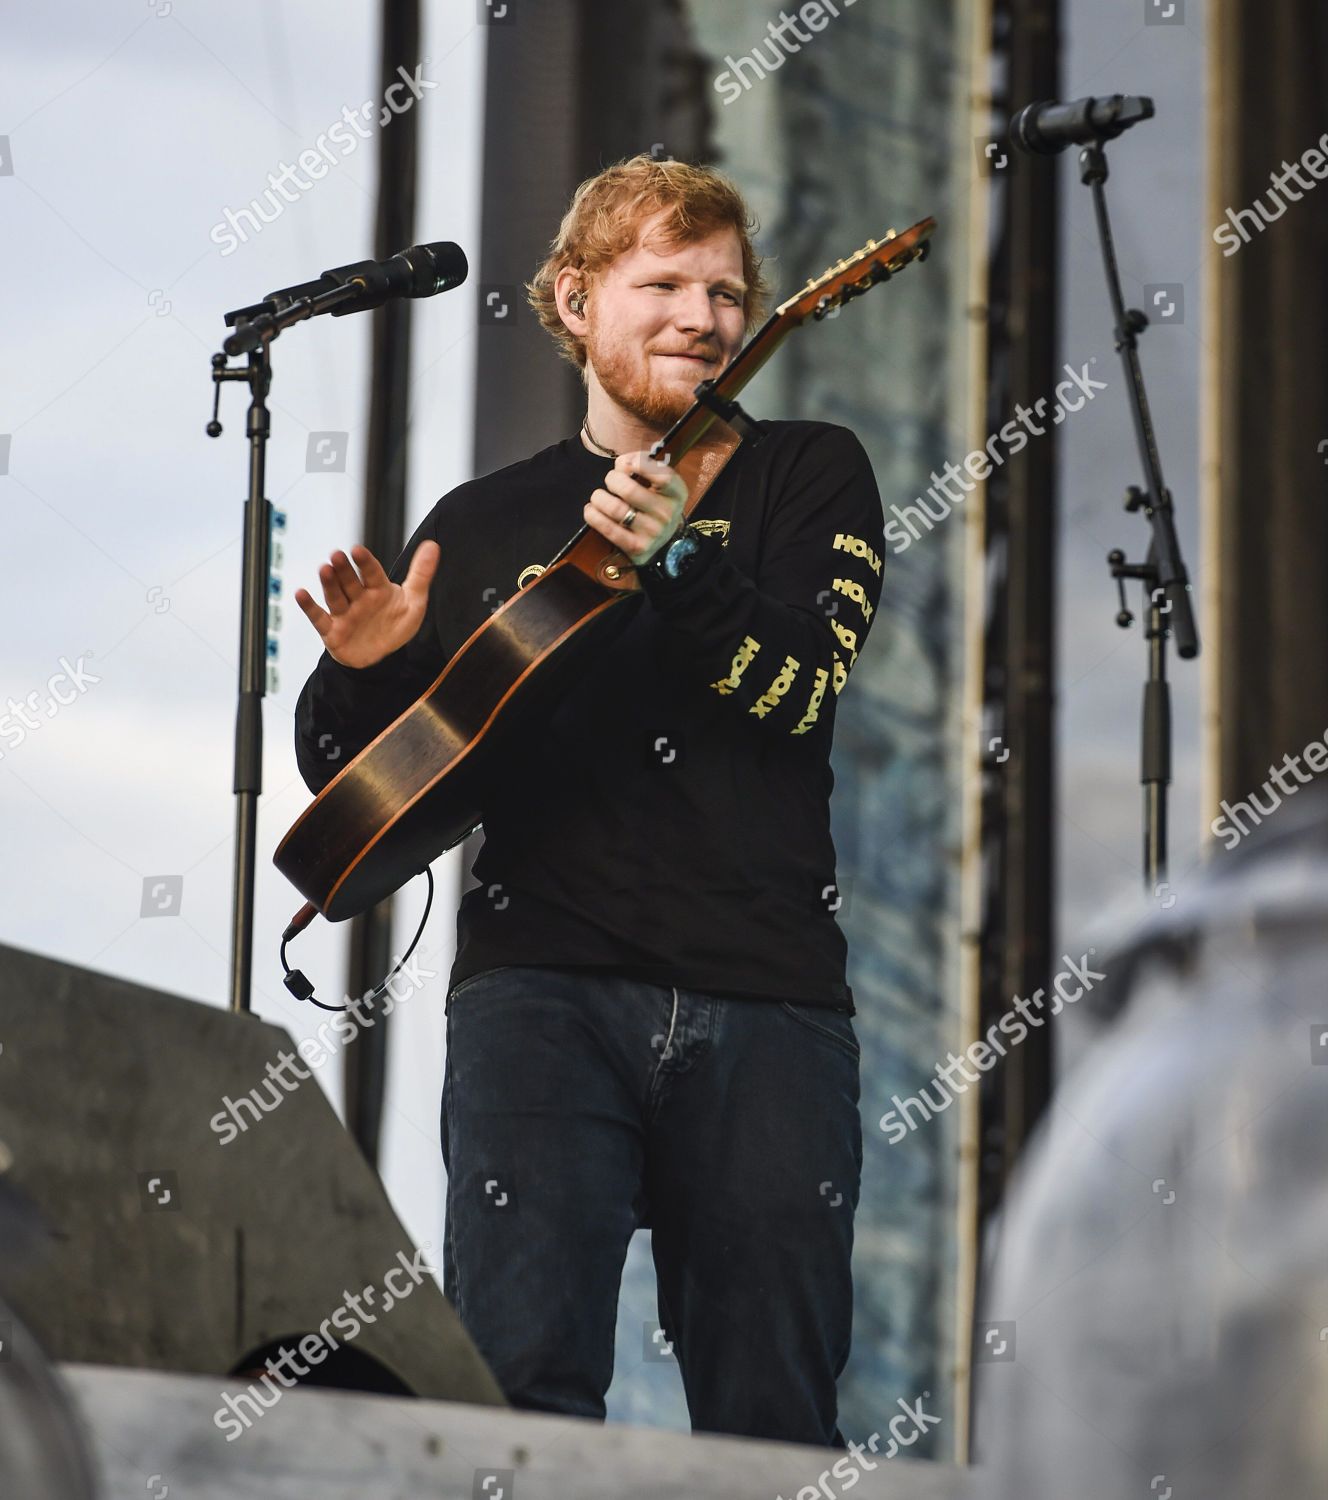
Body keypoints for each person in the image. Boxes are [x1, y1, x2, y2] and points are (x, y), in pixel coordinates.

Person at [292, 155, 885, 1445]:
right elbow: (369, 787)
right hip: (540, 993)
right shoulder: (483, 518)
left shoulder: (810, 473)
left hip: (766, 994)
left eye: (727, 291)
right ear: (573, 301)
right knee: (520, 1395)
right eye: (663, 282)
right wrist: (362, 679)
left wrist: (680, 557)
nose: (703, 316)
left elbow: (796, 690)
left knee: (773, 1412)